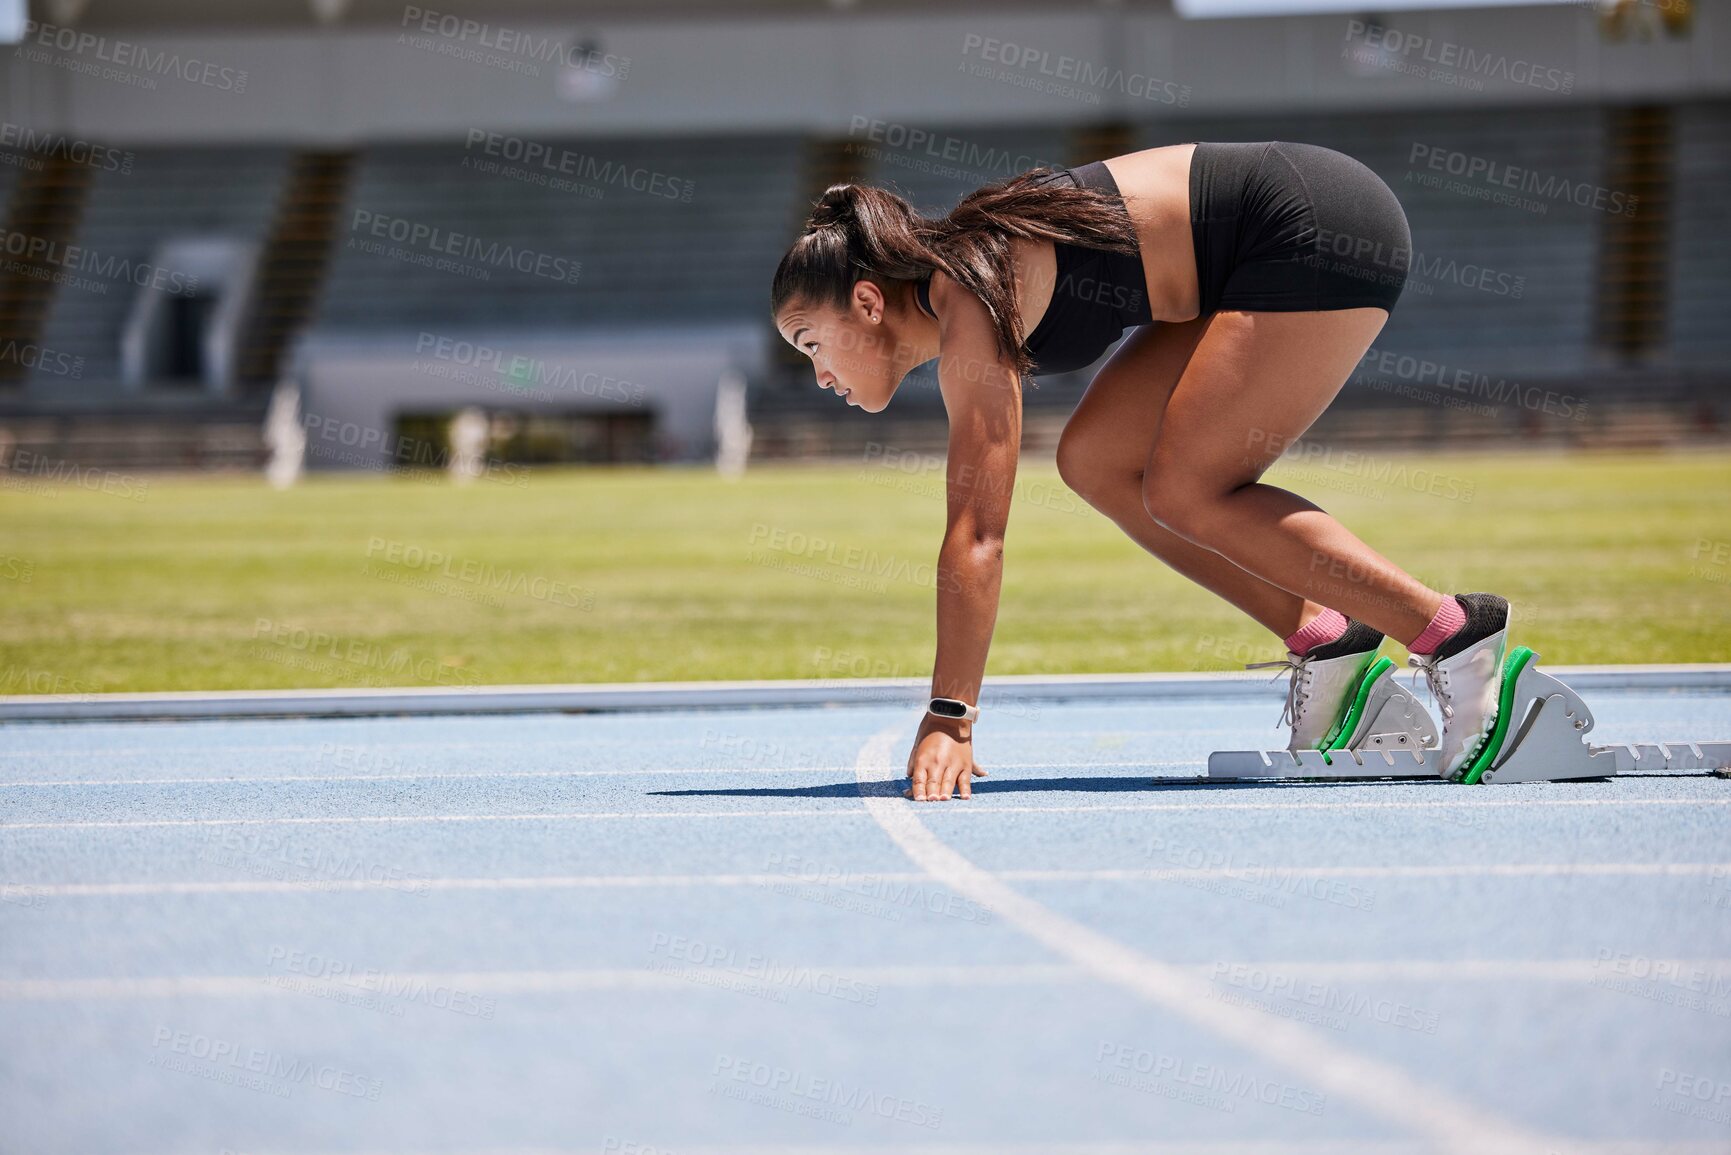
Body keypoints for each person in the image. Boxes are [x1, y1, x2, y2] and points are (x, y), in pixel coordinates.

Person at [770, 141, 1511, 801]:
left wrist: (950, 718)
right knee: (1094, 462)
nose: (819, 373)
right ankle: (1329, 642)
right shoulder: (960, 286)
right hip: (1236, 267)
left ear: (867, 302)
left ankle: (1456, 635)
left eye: (810, 343)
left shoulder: (967, 293)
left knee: (1190, 488)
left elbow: (978, 535)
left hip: (1313, 221)